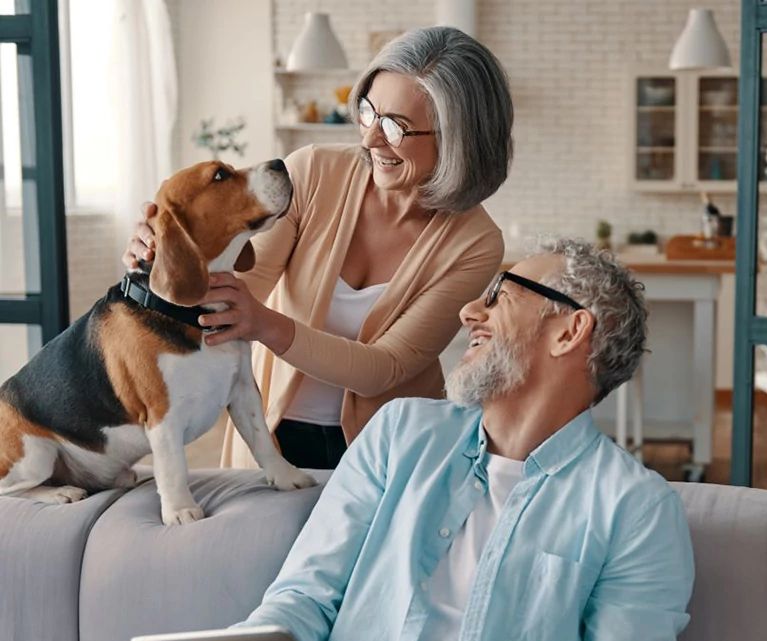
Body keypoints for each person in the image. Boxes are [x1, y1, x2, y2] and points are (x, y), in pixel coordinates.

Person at [232, 239, 695, 641]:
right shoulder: (399, 433)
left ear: (570, 332)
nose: (470, 311)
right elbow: (305, 596)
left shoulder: (636, 508)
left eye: (499, 296)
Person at [122, 27, 513, 469]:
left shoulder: (476, 243)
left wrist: (266, 325)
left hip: (391, 451)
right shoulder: (312, 171)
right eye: (369, 112)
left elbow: (384, 369)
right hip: (272, 431)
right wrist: (166, 249)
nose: (369, 140)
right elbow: (234, 286)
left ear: (458, 138)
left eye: (395, 127)